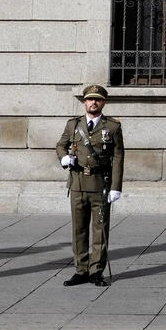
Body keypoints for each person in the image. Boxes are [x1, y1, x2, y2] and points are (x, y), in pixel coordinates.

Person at [59, 85, 125, 287]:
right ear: (84, 102)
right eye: (90, 99)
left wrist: (116, 186)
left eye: (97, 99)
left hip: (100, 184)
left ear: (103, 102)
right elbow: (61, 144)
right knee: (78, 229)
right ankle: (81, 269)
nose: (93, 103)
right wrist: (64, 158)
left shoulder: (112, 126)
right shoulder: (73, 125)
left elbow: (118, 156)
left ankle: (96, 270)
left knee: (100, 229)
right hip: (78, 183)